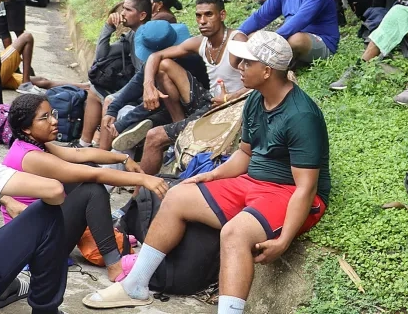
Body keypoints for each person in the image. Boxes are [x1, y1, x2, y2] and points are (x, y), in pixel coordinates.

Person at [83, 31, 331, 312]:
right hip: (251, 182)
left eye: (247, 63)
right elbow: (245, 154)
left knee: (235, 234)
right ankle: (136, 284)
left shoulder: (301, 116)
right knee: (177, 196)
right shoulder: (254, 99)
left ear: (267, 70)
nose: (239, 66)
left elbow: (306, 188)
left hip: (290, 192)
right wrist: (212, 175)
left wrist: (284, 240)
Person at [1, 94, 169, 282]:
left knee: (81, 178)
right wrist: (143, 179)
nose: (54, 121)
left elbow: (79, 153)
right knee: (92, 189)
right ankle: (115, 265)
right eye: (44, 118)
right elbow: (94, 175)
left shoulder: (30, 144)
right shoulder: (32, 157)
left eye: (52, 114)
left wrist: (124, 158)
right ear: (26, 128)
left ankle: (107, 238)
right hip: (36, 252)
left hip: (39, 235)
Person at [114, 0, 246, 174]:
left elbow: (263, 79)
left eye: (209, 15)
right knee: (164, 65)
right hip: (210, 102)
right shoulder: (200, 42)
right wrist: (148, 86)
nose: (202, 21)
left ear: (222, 15)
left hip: (231, 109)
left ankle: (139, 199)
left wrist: (230, 97)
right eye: (198, 16)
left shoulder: (237, 42)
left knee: (154, 136)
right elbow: (155, 56)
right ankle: (179, 128)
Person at [101, 20, 210, 154]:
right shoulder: (155, 63)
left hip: (194, 104)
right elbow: (135, 86)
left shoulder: (189, 59)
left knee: (143, 118)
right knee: (124, 112)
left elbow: (158, 101)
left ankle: (174, 138)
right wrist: (112, 110)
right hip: (170, 105)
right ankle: (104, 154)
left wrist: (124, 122)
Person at [75, 0, 152, 149]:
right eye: (123, 9)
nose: (122, 13)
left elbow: (142, 78)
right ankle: (84, 144)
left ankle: (102, 156)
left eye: (128, 10)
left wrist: (118, 97)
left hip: (145, 94)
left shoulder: (148, 37)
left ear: (142, 15)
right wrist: (108, 27)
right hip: (136, 87)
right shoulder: (132, 34)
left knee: (110, 101)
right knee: (94, 90)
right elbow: (101, 56)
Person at [0, 162, 68, 314]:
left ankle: (10, 287)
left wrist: (6, 199)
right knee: (48, 215)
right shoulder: (29, 155)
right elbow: (55, 190)